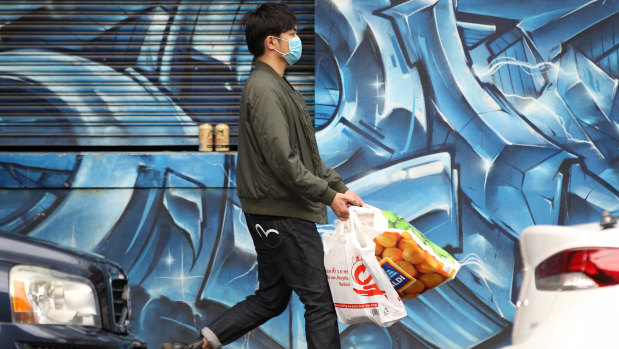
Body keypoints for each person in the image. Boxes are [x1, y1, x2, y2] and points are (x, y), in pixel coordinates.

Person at [162, 2, 363, 349]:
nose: (298, 40)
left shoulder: (277, 87)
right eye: (292, 34)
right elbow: (283, 162)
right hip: (284, 214)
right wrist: (329, 196)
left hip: (275, 212)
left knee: (272, 298)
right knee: (320, 302)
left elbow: (306, 158)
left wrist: (339, 188)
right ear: (272, 42)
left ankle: (202, 345)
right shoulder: (266, 90)